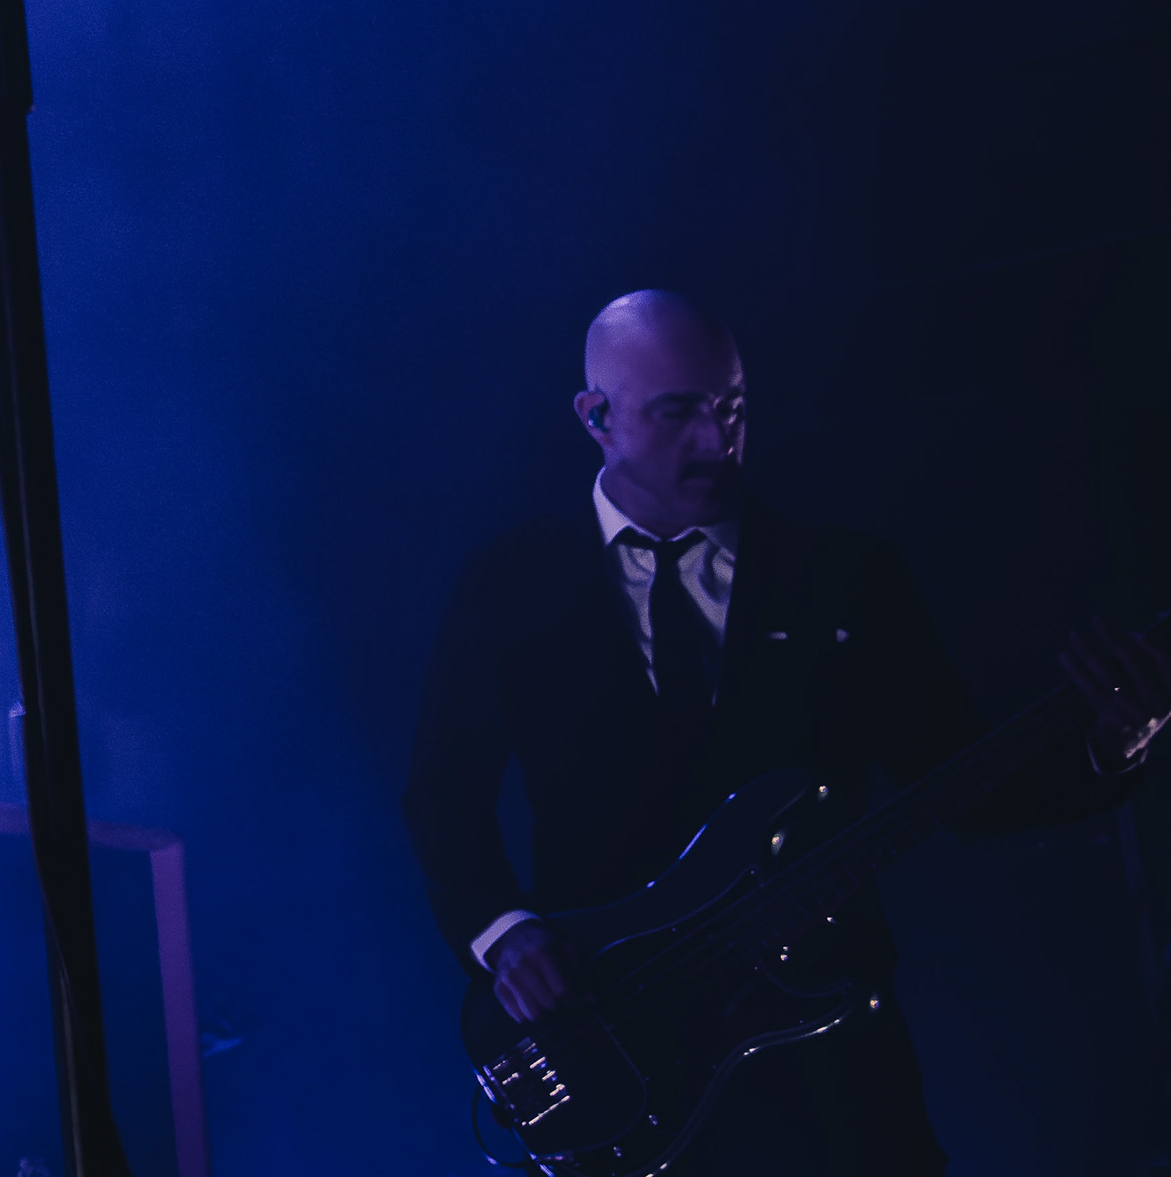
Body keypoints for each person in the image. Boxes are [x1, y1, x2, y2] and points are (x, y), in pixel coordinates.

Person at [402, 289, 1168, 1173]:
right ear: (596, 416)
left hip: (835, 1067)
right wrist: (507, 934)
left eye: (732, 408)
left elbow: (963, 781)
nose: (715, 439)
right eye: (677, 411)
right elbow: (442, 797)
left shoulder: (847, 577)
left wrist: (1111, 744)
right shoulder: (512, 584)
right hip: (620, 1048)